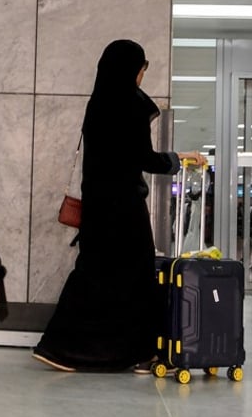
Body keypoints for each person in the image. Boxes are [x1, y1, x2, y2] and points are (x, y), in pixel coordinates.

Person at [32, 39, 205, 372]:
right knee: (137, 276)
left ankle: (57, 347)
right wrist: (177, 159)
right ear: (132, 69)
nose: (141, 78)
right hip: (124, 209)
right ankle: (140, 353)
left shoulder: (97, 104)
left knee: (93, 274)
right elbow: (143, 158)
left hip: (98, 208)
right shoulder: (132, 104)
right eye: (141, 70)